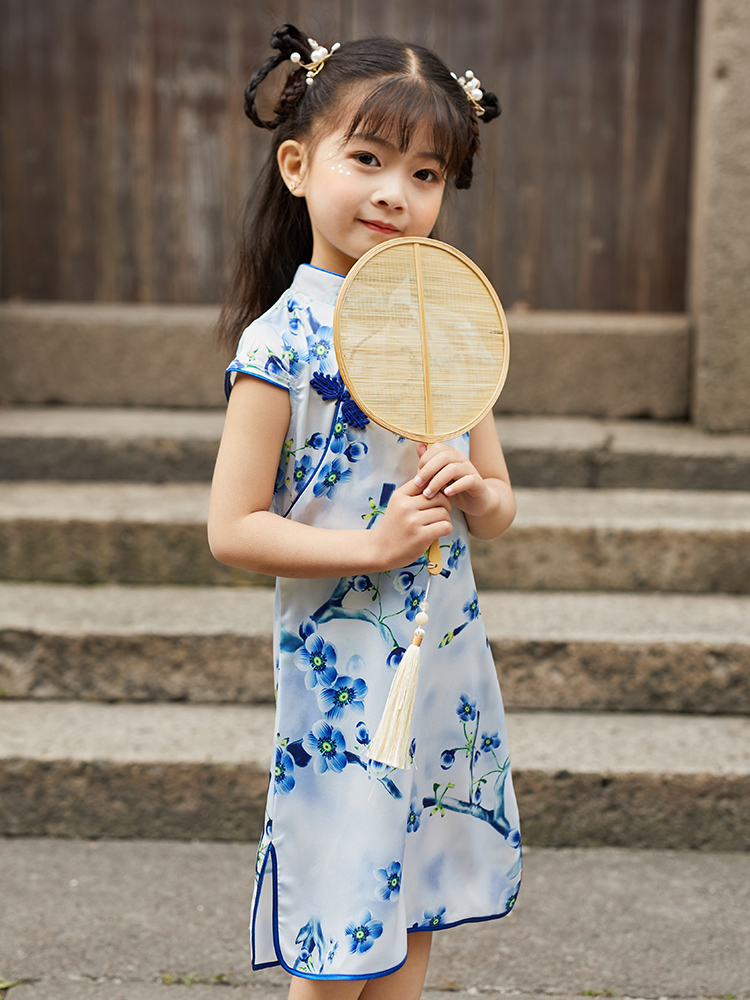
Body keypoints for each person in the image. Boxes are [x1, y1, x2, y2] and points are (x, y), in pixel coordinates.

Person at [208, 24, 522, 1000]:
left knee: (415, 900)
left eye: (426, 174)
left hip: (442, 658)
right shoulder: (281, 344)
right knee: (342, 916)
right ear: (298, 166)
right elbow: (233, 527)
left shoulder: (449, 325)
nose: (396, 192)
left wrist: (476, 493)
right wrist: (374, 544)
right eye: (369, 159)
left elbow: (499, 505)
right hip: (342, 673)